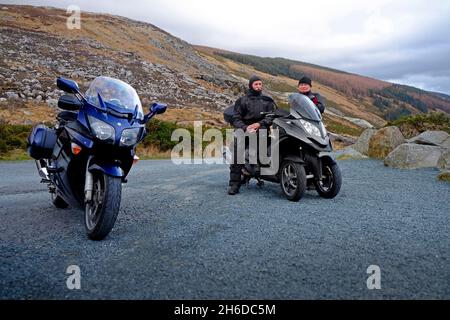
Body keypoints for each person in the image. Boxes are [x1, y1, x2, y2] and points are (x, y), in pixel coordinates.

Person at [228, 75, 276, 195]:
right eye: (256, 84)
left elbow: (270, 116)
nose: (258, 86)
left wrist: (259, 124)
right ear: (251, 85)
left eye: (260, 84)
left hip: (261, 130)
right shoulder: (242, 101)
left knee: (273, 149)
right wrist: (246, 128)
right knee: (237, 156)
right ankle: (234, 184)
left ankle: (261, 170)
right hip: (244, 130)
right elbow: (236, 118)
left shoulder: (268, 100)